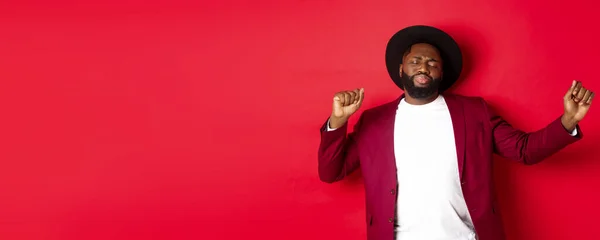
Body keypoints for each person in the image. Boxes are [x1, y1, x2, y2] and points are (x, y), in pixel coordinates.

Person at [317, 25, 594, 240]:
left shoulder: (474, 113)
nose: (424, 66)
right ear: (401, 68)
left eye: (433, 62)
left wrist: (567, 121)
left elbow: (525, 150)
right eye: (416, 61)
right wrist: (337, 122)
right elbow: (331, 172)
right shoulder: (374, 121)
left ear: (442, 72)